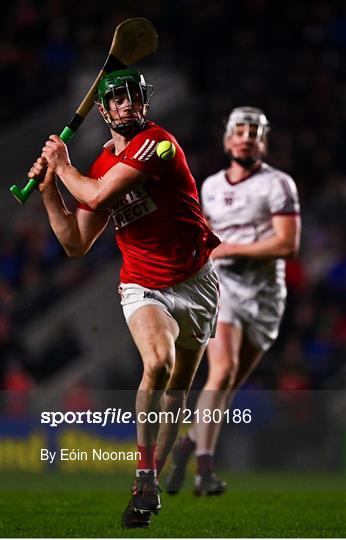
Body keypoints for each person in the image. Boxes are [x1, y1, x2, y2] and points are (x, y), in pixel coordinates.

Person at [28, 68, 220, 528]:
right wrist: (49, 188)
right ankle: (143, 479)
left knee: (177, 391)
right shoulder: (94, 166)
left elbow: (99, 192)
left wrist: (62, 164)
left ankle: (149, 480)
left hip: (197, 283)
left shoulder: (159, 144)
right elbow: (75, 243)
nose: (127, 105)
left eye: (134, 98)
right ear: (104, 110)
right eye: (117, 100)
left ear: (144, 103)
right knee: (158, 362)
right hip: (142, 284)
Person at [165, 106, 301, 495]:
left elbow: (288, 245)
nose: (245, 136)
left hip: (266, 296)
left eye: (253, 131)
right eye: (239, 130)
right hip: (221, 290)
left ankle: (187, 445)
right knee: (220, 374)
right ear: (227, 139)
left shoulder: (279, 185)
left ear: (263, 141)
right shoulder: (209, 187)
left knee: (227, 387)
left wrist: (232, 249)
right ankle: (204, 471)